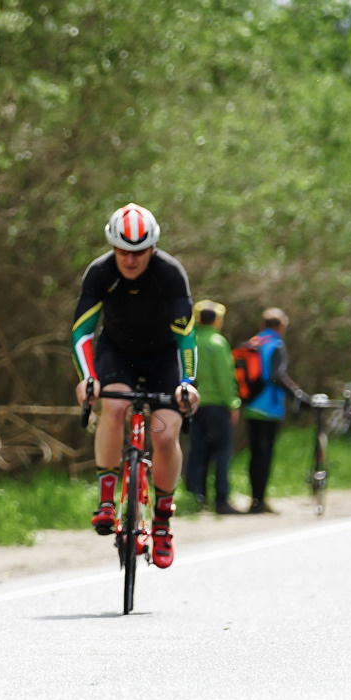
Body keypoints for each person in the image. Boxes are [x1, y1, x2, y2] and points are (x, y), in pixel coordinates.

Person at [71, 203, 200, 565]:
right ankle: (107, 499)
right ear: (113, 247)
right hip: (117, 354)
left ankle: (161, 521)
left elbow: (187, 335)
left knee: (165, 434)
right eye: (123, 251)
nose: (130, 259)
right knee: (114, 406)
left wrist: (187, 382)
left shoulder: (169, 273)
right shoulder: (100, 272)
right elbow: (82, 331)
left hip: (164, 357)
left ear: (153, 248)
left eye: (139, 252)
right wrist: (88, 378)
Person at [236, 307, 311, 513]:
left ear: (262, 324)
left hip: (250, 405)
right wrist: (298, 396)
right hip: (269, 407)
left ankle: (255, 499)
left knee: (255, 453)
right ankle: (260, 500)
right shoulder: (276, 344)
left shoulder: (253, 342)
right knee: (265, 453)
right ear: (281, 326)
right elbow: (277, 376)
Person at [182, 299, 240, 514]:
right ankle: (221, 500)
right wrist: (233, 404)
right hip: (217, 406)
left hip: (193, 405)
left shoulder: (190, 341)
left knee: (197, 451)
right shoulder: (217, 343)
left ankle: (196, 498)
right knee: (222, 453)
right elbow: (224, 378)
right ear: (216, 320)